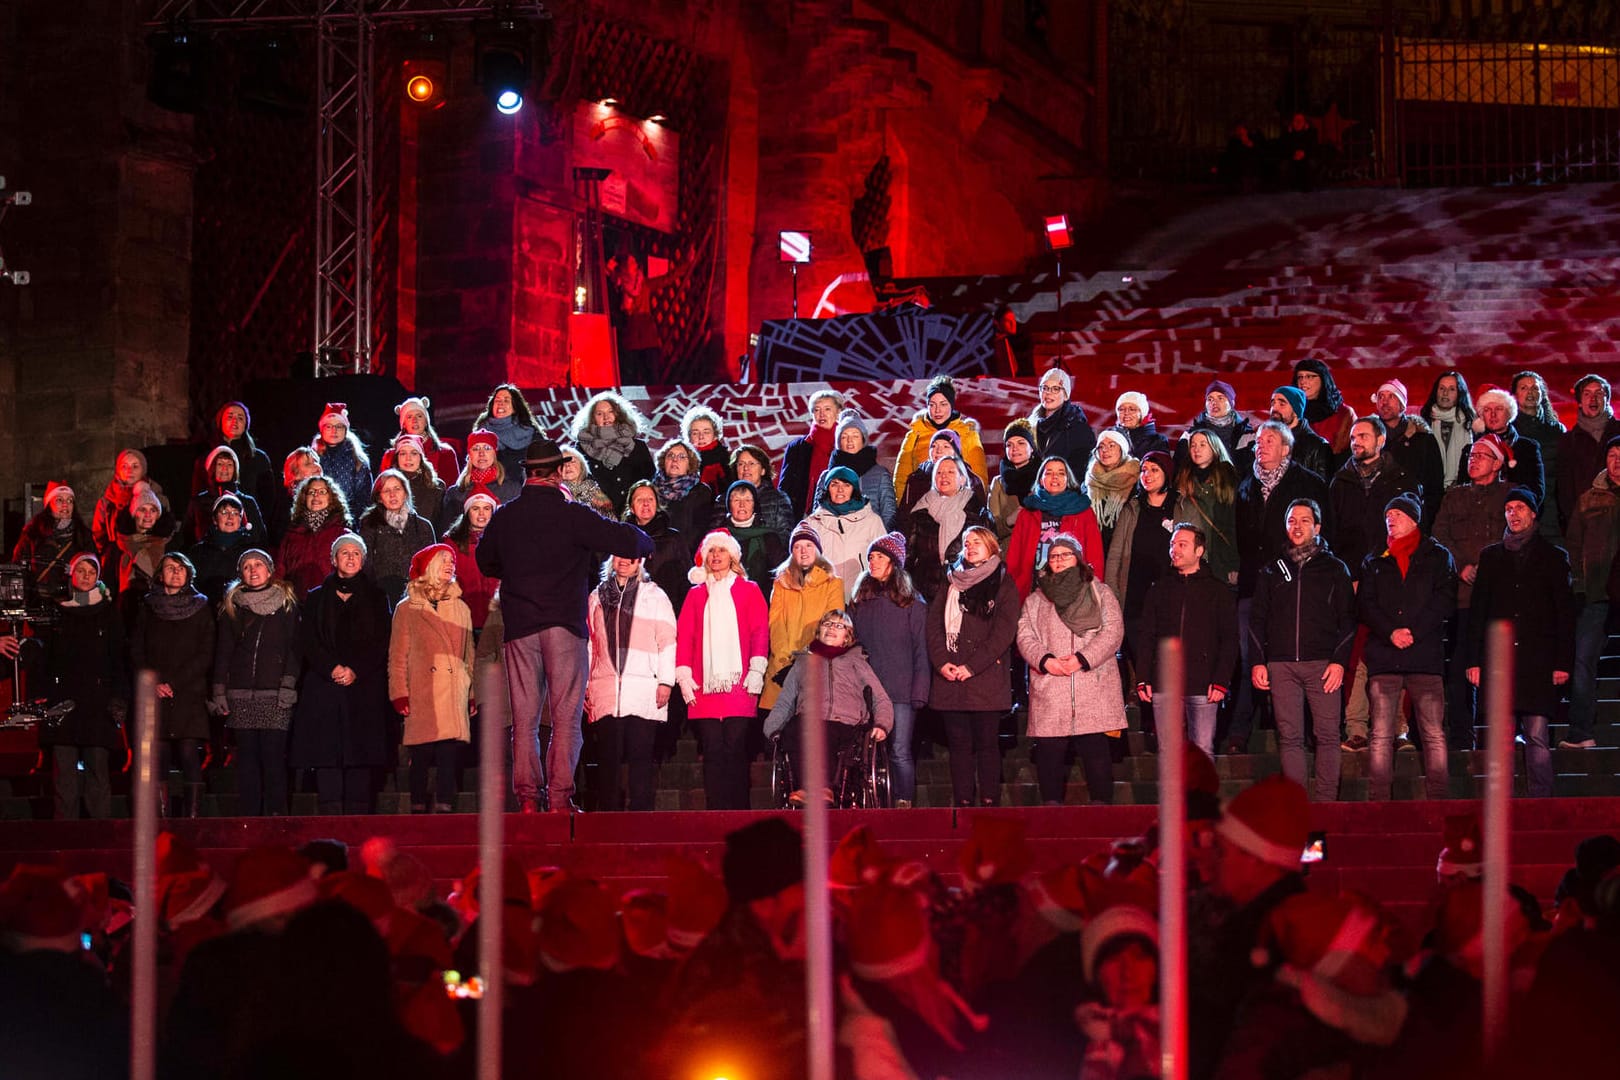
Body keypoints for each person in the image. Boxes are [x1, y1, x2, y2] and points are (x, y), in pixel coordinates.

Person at [477, 437, 654, 815]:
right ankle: (559, 799)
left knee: (524, 720)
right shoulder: (573, 514)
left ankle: (527, 798)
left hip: (521, 627)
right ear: (558, 473)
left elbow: (485, 561)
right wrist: (644, 536)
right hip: (563, 628)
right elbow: (625, 539)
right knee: (565, 717)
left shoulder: (506, 516)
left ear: (528, 473)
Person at [1189, 774, 1310, 1080]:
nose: (1214, 862)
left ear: (1255, 860)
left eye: (1222, 852)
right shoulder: (1251, 919)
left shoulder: (1280, 931)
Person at [1467, 488, 1575, 798]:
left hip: (1538, 662)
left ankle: (1539, 800)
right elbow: (1478, 613)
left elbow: (1564, 616)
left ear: (1533, 513)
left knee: (1537, 735)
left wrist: (1562, 663)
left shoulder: (1554, 557)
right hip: (1500, 662)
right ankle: (1502, 801)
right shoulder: (1491, 556)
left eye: (1519, 508)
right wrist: (1474, 660)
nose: (1513, 514)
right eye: (1509, 509)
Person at [1232, 421, 1330, 754]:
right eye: (1258, 441)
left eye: (1269, 440)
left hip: (1294, 583)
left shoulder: (1308, 483)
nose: (1261, 446)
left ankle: (1302, 732)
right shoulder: (1246, 485)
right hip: (1253, 583)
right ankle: (1239, 732)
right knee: (1250, 656)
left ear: (1286, 448)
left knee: (1292, 658)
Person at [1249, 499, 1353, 801]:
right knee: (1290, 738)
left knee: (1328, 737)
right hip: (1282, 666)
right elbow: (1257, 619)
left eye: (1305, 520)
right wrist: (1258, 661)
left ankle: (1325, 806)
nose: (1297, 526)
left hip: (1323, 665)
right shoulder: (1272, 569)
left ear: (1317, 527)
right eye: (1292, 520)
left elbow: (1348, 619)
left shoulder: (1335, 569)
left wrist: (1339, 661)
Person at [1017, 534, 1127, 805]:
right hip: (1052, 683)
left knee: (1095, 748)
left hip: (1093, 680)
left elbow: (1113, 631)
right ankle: (1052, 809)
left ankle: (1101, 809)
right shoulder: (1036, 599)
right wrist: (1046, 661)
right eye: (1053, 556)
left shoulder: (1100, 592)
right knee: (1049, 750)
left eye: (1065, 555)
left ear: (1078, 559)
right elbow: (1025, 636)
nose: (1058, 560)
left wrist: (1082, 658)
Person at [1359, 494, 1456, 801]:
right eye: (1388, 514)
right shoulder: (1375, 558)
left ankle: (1438, 799)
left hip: (1423, 654)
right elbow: (1365, 604)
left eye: (1398, 514)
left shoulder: (1437, 556)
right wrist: (1391, 632)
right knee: (1380, 736)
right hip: (1385, 656)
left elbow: (1444, 599)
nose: (1391, 519)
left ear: (1414, 519)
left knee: (1433, 733)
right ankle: (1379, 801)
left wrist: (1413, 631)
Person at [291, 532, 390, 816]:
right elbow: (308, 639)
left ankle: (359, 816)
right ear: (334, 559)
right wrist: (331, 667)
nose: (350, 557)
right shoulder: (316, 597)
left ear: (363, 560)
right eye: (344, 553)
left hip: (363, 685)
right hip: (324, 685)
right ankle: (330, 811)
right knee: (326, 752)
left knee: (361, 750)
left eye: (356, 553)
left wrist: (355, 669)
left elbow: (382, 640)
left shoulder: (376, 596)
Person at [926, 525, 1021, 806]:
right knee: (958, 745)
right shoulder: (950, 580)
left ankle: (990, 800)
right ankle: (964, 801)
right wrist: (942, 662)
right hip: (950, 676)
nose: (970, 547)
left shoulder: (1003, 582)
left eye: (977, 542)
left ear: (991, 546)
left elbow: (1004, 632)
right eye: (966, 543)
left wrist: (972, 667)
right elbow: (933, 625)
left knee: (987, 744)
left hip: (985, 677)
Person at [676, 531, 770, 810]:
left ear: (733, 556)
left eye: (722, 550)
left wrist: (757, 668)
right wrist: (684, 675)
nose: (716, 556)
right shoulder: (695, 595)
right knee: (713, 751)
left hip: (739, 683)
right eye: (711, 551)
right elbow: (686, 636)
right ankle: (716, 810)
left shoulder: (749, 590)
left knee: (735, 749)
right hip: (704, 685)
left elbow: (759, 633)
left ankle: (738, 810)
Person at [1431, 434, 1512, 751]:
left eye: (1481, 455)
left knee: (1501, 668)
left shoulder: (1509, 494)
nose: (1473, 459)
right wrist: (1461, 565)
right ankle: (1462, 735)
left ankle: (1502, 732)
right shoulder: (1455, 496)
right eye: (1471, 455)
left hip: (1500, 598)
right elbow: (1440, 536)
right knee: (1462, 666)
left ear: (1497, 463)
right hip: (1464, 598)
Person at [763, 609, 893, 807]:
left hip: (847, 724)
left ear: (847, 636)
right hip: (808, 721)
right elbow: (785, 701)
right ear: (819, 632)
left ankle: (821, 788)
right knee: (795, 728)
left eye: (839, 625)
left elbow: (881, 698)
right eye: (827, 624)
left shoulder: (857, 663)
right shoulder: (802, 663)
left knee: (824, 730)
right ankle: (807, 789)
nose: (832, 628)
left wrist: (882, 725)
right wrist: (772, 729)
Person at [1134, 524, 1239, 756]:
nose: (1175, 550)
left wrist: (1221, 680)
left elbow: (1230, 640)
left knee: (1202, 750)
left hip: (1202, 684)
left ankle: (1200, 794)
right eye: (1172, 544)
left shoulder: (1218, 592)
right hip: (1165, 685)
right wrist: (1143, 676)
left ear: (1199, 550)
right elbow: (1147, 637)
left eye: (1182, 544)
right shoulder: (1159, 590)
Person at [211, 548, 301, 816]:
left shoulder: (286, 603)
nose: (253, 570)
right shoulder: (232, 605)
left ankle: (277, 817)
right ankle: (250, 818)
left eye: (258, 564)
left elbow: (293, 648)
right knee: (247, 760)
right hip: (241, 694)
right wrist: (219, 690)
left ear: (270, 570)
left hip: (274, 692)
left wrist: (288, 684)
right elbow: (224, 650)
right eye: (247, 565)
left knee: (273, 758)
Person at [585, 552, 677, 811]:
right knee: (608, 760)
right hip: (605, 689)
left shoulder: (654, 596)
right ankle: (609, 818)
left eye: (631, 557)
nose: (625, 561)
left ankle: (641, 818)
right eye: (619, 556)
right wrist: (586, 684)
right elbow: (590, 644)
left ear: (641, 562)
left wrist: (666, 681)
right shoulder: (596, 597)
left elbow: (668, 641)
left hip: (643, 687)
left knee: (640, 758)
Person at [389, 543, 476, 813]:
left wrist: (472, 693)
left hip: (453, 688)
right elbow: (398, 654)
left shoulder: (461, 607)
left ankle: (444, 805)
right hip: (422, 689)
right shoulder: (408, 608)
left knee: (449, 753)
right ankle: (417, 806)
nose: (451, 564)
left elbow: (469, 654)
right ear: (428, 567)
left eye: (452, 560)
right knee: (422, 751)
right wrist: (399, 692)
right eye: (444, 560)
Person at [131, 552, 216, 817]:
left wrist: (176, 683)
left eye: (181, 568)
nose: (176, 572)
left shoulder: (201, 606)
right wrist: (153, 682)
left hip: (189, 692)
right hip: (155, 692)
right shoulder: (147, 607)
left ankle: (192, 817)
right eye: (170, 568)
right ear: (160, 575)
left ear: (189, 573)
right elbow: (136, 649)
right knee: (160, 754)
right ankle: (162, 818)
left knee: (190, 752)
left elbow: (206, 651)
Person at [39, 553, 124, 819]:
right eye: (81, 571)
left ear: (98, 577)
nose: (86, 576)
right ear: (71, 574)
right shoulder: (56, 610)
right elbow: (43, 658)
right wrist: (41, 696)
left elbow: (119, 658)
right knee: (64, 774)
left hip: (98, 705)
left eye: (91, 572)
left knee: (98, 771)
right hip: (62, 702)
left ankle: (99, 835)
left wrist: (119, 698)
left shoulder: (109, 613)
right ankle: (65, 836)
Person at [849, 532, 930, 808]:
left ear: (893, 563)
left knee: (899, 751)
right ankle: (871, 802)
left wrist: (920, 691)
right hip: (868, 689)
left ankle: (903, 802)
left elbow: (921, 649)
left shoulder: (912, 603)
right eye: (870, 557)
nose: (873, 561)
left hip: (901, 690)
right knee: (868, 751)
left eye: (880, 557)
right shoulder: (861, 600)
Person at [1560, 436, 1620, 751]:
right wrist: (1580, 586)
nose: (1617, 461)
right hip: (1597, 593)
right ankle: (1581, 730)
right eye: (1612, 455)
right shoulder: (1589, 500)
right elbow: (1573, 545)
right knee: (1583, 658)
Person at [760, 523, 846, 716]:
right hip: (782, 665)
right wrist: (784, 658)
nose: (803, 551)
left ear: (817, 550)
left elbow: (831, 626)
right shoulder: (781, 582)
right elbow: (775, 623)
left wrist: (805, 661)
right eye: (798, 547)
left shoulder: (832, 583)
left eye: (808, 545)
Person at [1329, 417, 1419, 583]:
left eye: (1363, 436)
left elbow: (1415, 528)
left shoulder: (1402, 481)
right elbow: (1332, 530)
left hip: (1391, 570)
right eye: (1353, 438)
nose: (1356, 442)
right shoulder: (1339, 482)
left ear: (1381, 440)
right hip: (1349, 573)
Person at [899, 454, 994, 601]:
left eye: (951, 472)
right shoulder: (920, 511)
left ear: (962, 479)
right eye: (939, 472)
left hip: (964, 590)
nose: (944, 476)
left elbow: (988, 558)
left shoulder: (977, 512)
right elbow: (909, 556)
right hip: (925, 591)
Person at [1104, 450, 1179, 628]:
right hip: (1134, 594)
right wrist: (1113, 592)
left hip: (1170, 592)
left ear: (1166, 474)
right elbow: (1115, 554)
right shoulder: (1132, 507)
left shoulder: (1181, 505)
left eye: (1154, 470)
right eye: (1144, 470)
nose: (1147, 475)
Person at [893, 375, 990, 499]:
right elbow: (902, 478)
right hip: (921, 509)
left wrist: (974, 510)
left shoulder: (967, 434)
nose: (937, 410)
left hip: (959, 508)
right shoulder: (915, 434)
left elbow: (979, 478)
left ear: (951, 405)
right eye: (932, 405)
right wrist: (905, 511)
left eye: (943, 404)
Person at [804, 465, 887, 602]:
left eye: (846, 485)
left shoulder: (872, 521)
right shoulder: (812, 522)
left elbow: (884, 561)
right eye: (834, 484)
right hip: (822, 598)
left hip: (861, 597)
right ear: (827, 489)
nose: (840, 490)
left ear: (854, 489)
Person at [1370, 378, 1445, 528]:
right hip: (1375, 518)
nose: (1384, 402)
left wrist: (1425, 517)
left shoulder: (1423, 440)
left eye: (1391, 396)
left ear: (1402, 404)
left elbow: (1434, 485)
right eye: (1381, 397)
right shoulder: (1368, 438)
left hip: (1414, 517)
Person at [357, 469, 438, 605]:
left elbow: (432, 564)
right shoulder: (369, 523)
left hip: (417, 595)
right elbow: (366, 562)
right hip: (381, 595)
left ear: (405, 493)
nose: (392, 494)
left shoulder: (423, 525)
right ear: (379, 497)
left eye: (397, 489)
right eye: (386, 490)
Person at [92, 448, 166, 593]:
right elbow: (98, 533)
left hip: (150, 555)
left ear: (143, 469)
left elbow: (165, 526)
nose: (129, 470)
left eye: (135, 466)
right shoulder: (108, 501)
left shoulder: (157, 496)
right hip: (116, 559)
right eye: (124, 466)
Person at [570, 392, 656, 515]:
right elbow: (575, 483)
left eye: (610, 412)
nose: (606, 417)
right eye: (600, 414)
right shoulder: (581, 449)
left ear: (619, 415)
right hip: (596, 516)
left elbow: (649, 481)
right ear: (592, 418)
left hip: (632, 516)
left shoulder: (638, 447)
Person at [11, 482, 95, 606]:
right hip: (39, 602)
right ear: (49, 505)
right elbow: (18, 565)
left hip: (73, 603)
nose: (65, 504)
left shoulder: (83, 535)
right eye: (59, 500)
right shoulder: (33, 533)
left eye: (70, 500)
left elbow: (93, 566)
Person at [1175, 430, 1240, 588]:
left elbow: (1234, 525)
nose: (1197, 449)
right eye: (1193, 445)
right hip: (1193, 556)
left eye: (1202, 445)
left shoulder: (1228, 479)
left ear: (1214, 447)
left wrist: (1234, 563)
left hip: (1221, 555)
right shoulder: (1183, 478)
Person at [1557, 374, 1620, 529]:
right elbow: (1565, 489)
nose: (1593, 399)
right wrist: (1573, 523)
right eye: (1587, 394)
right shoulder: (1568, 441)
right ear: (1579, 402)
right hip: (1586, 523)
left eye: (1599, 393)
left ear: (1607, 399)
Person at [277, 475, 354, 601]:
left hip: (332, 603)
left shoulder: (343, 534)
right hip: (297, 603)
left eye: (322, 492)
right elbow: (280, 570)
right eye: (311, 492)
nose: (316, 496)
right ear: (304, 498)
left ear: (332, 498)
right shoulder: (292, 534)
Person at [113, 481, 177, 630]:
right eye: (142, 509)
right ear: (134, 513)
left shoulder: (167, 545)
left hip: (161, 611)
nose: (148, 515)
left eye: (153, 510)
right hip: (127, 613)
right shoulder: (120, 546)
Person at [192, 400, 276, 513]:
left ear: (246, 424)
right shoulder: (205, 459)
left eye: (240, 418)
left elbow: (268, 500)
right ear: (220, 421)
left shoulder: (259, 458)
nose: (235, 421)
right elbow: (197, 500)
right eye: (230, 417)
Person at [623, 480, 693, 612]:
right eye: (639, 500)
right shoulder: (623, 538)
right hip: (631, 611)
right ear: (631, 508)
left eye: (650, 499)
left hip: (667, 611)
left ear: (657, 504)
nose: (646, 503)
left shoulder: (673, 538)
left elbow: (686, 579)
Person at [1463, 387, 1544, 499]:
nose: (1493, 414)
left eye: (1499, 409)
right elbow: (1462, 490)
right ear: (1482, 416)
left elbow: (1535, 490)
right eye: (1487, 410)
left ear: (1509, 413)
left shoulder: (1527, 448)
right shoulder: (1470, 450)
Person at [1512, 370, 1564, 533]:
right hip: (1519, 503)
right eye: (1524, 388)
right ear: (1514, 395)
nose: (1530, 393)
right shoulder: (1509, 430)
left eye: (1535, 388)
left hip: (1552, 506)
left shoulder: (1556, 429)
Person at [826, 410, 897, 529]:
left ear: (863, 439)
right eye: (844, 436)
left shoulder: (880, 474)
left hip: (871, 540)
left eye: (855, 436)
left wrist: (880, 543)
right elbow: (818, 514)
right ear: (838, 441)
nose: (850, 441)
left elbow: (888, 514)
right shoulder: (826, 477)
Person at [183, 445, 268, 544]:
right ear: (212, 468)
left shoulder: (248, 502)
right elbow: (187, 538)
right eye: (219, 464)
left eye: (229, 464)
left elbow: (261, 537)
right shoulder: (198, 503)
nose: (225, 468)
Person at [781, 388, 845, 517]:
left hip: (840, 513)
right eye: (817, 410)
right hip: (803, 515)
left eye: (827, 409)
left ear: (838, 412)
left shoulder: (845, 444)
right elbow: (785, 487)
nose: (822, 414)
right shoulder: (797, 447)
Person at [443, 489, 500, 632]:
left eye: (486, 508)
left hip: (497, 618)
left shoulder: (503, 540)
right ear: (468, 512)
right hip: (464, 618)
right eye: (475, 508)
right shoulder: (452, 543)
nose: (482, 513)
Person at [442, 430, 520, 532]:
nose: (481, 453)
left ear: (494, 453)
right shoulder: (455, 493)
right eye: (476, 448)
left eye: (487, 448)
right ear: (470, 454)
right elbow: (447, 531)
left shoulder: (512, 489)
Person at [1176, 379, 1256, 476]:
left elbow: (1252, 472)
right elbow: (1179, 470)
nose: (1214, 403)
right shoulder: (1190, 436)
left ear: (1231, 403)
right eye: (1210, 399)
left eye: (1220, 398)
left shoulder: (1247, 435)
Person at [717, 444, 794, 544]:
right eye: (741, 464)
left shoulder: (778, 498)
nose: (746, 468)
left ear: (763, 470)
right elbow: (714, 535)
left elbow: (785, 535)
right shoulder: (722, 500)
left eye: (751, 463)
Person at [1031, 366, 1097, 480]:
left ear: (1066, 395)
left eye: (1055, 388)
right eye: (1045, 388)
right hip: (1034, 492)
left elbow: (1083, 470)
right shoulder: (1030, 424)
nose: (1048, 393)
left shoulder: (1078, 428)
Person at [472, 383, 545, 481]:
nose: (500, 403)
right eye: (497, 400)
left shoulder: (530, 432)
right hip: (489, 487)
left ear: (515, 407)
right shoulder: (481, 430)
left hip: (525, 489)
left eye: (506, 400)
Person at [650, 438, 715, 550]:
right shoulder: (651, 490)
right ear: (663, 461)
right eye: (670, 456)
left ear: (690, 464)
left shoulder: (701, 491)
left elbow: (700, 531)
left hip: (685, 554)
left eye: (681, 457)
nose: (675, 460)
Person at [310, 403, 374, 515]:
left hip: (348, 519)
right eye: (329, 426)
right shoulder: (312, 458)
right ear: (322, 429)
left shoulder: (358, 460)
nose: (334, 430)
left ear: (345, 429)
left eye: (339, 426)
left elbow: (364, 498)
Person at [381, 395, 461, 481]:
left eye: (419, 416)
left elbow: (452, 491)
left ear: (426, 421)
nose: (414, 420)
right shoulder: (390, 456)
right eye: (409, 417)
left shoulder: (445, 453)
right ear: (403, 424)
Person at [1294, 358, 1357, 466]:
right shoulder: (1292, 412)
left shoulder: (1344, 414)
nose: (1302, 381)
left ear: (1323, 379)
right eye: (1300, 377)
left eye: (1309, 376)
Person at [1084, 431, 1140, 551]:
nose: (1105, 450)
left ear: (1122, 449)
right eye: (1101, 446)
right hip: (1093, 542)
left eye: (1111, 445)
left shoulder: (1135, 478)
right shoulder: (1089, 478)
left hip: (1124, 545)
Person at [1421, 370, 1475, 493]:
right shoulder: (1422, 424)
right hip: (1430, 491)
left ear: (1460, 393)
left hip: (1462, 491)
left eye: (1452, 389)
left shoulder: (1471, 424)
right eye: (1442, 388)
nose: (1445, 393)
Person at [989, 418, 1040, 544]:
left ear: (1032, 447)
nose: (1014, 448)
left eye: (1021, 443)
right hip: (1009, 552)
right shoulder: (998, 483)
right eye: (1009, 444)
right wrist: (1009, 521)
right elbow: (991, 528)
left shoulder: (1044, 479)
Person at [1268, 385, 1332, 481]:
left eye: (1282, 404)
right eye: (1273, 403)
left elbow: (1321, 486)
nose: (1274, 409)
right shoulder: (1264, 441)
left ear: (1296, 410)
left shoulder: (1318, 446)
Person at [386, 434, 446, 530]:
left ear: (421, 457)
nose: (408, 458)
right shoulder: (387, 486)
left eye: (414, 453)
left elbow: (440, 525)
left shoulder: (437, 487)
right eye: (403, 453)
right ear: (397, 458)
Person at [268, 447, 322, 545]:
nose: (316, 466)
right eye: (308, 464)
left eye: (316, 461)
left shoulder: (331, 495)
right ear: (294, 474)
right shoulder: (287, 503)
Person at [680, 405, 732, 493]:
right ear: (689, 436)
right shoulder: (680, 459)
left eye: (706, 432)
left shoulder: (726, 460)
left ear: (715, 434)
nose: (701, 437)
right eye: (695, 433)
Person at [1110, 391, 1170, 460]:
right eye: (1121, 409)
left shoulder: (1157, 441)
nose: (1126, 413)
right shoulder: (1108, 437)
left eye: (1132, 409)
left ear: (1142, 413)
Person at [990, 303, 1030, 378]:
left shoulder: (1022, 341)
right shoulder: (994, 343)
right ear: (997, 323)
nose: (1013, 324)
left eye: (1013, 320)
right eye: (1008, 321)